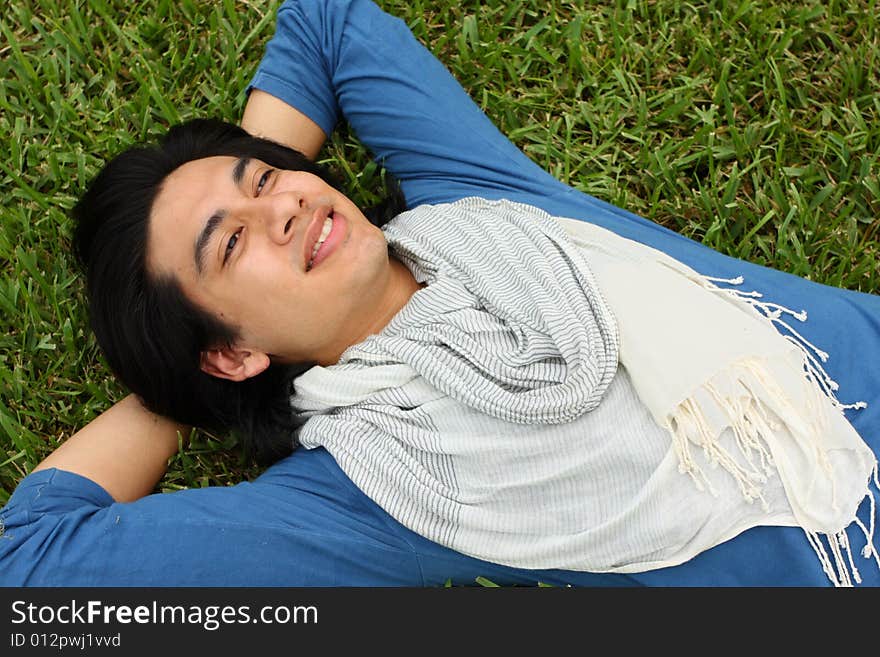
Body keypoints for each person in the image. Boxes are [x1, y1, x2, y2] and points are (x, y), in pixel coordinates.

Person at [1, 0, 878, 587]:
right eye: (229, 243)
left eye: (266, 177)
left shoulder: (468, 198)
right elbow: (29, 566)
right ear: (232, 352)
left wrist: (238, 185)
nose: (286, 205)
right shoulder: (368, 490)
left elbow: (327, 21)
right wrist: (177, 384)